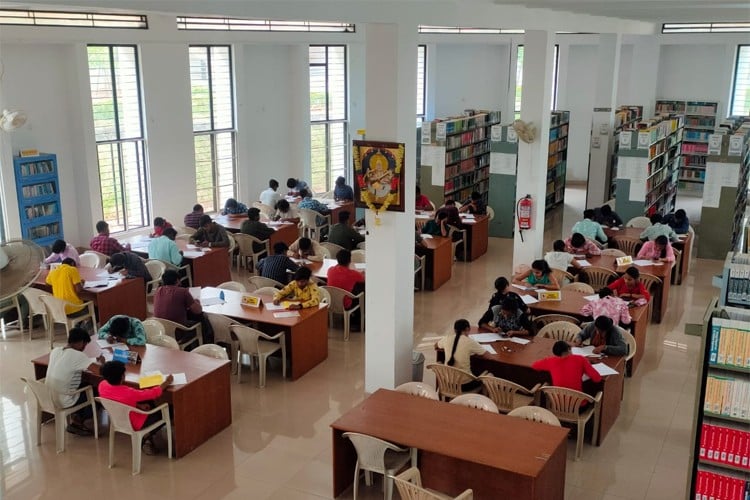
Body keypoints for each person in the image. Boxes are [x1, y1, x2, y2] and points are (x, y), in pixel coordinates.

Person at [98, 360, 173, 456]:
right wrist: (167, 382)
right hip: (135, 422)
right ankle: (147, 435)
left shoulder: (102, 385)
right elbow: (153, 393)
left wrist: (139, 405)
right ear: (122, 376)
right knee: (169, 409)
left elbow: (119, 400)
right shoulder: (129, 392)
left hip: (117, 418)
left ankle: (149, 438)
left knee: (148, 403)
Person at [45, 328, 104, 435]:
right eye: (85, 345)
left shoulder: (55, 351)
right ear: (81, 342)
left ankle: (77, 417)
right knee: (97, 390)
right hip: (64, 400)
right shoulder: (78, 355)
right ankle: (79, 422)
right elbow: (100, 372)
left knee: (85, 384)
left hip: (47, 397)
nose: (84, 349)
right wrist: (102, 363)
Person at [154, 270, 210, 343]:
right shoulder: (183, 292)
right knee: (202, 318)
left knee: (190, 314)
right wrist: (196, 301)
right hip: (178, 331)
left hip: (161, 329)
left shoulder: (158, 290)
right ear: (177, 280)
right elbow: (198, 310)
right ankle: (206, 342)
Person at [532, 340, 602, 393]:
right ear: (569, 349)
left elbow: (535, 366)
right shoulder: (580, 359)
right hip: (578, 406)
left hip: (557, 404)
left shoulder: (550, 361)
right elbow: (597, 378)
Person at [436, 319, 485, 387]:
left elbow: (436, 345)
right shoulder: (469, 341)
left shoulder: (447, 338)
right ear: (468, 329)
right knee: (484, 374)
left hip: (448, 382)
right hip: (464, 385)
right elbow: (483, 353)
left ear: (455, 330)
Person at [327, 249, 365, 327]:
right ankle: (357, 321)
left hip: (331, 301)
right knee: (361, 289)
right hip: (346, 304)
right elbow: (363, 279)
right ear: (350, 260)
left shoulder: (330, 270)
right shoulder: (353, 274)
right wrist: (358, 271)